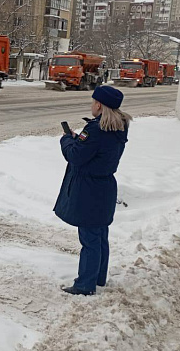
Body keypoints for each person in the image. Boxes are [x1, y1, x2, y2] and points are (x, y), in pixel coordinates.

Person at [54, 86, 132, 296]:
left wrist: (67, 139)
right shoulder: (119, 127)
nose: (91, 105)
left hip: (89, 189)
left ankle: (85, 285)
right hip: (105, 187)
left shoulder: (96, 130)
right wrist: (79, 139)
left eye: (93, 101)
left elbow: (76, 156)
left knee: (89, 239)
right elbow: (92, 149)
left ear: (99, 105)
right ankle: (98, 278)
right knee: (99, 236)